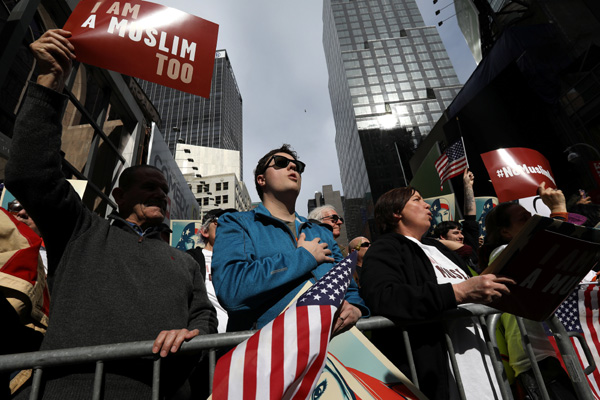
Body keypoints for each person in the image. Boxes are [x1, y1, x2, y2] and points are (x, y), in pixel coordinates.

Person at [6, 29, 217, 399]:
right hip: (65, 390)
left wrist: (192, 336)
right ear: (119, 195)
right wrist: (49, 81)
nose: (160, 194)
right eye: (148, 186)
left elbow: (204, 319)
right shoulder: (82, 231)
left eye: (164, 190)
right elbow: (30, 175)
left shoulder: (185, 263)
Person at [359, 186, 515, 400]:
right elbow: (383, 296)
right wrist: (458, 292)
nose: (426, 205)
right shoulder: (385, 248)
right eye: (416, 199)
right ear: (396, 212)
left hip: (483, 366)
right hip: (441, 375)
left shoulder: (438, 248)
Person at [212, 144, 368, 333]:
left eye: (297, 166)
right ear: (261, 179)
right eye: (281, 162)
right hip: (268, 351)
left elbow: (349, 287)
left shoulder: (321, 233)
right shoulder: (237, 223)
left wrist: (356, 308)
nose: (293, 167)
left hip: (333, 348)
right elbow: (232, 289)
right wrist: (303, 257)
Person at [479, 183, 577, 400]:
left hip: (561, 351)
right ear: (505, 232)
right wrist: (559, 211)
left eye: (532, 216)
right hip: (536, 361)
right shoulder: (501, 253)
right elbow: (551, 256)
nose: (533, 221)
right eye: (524, 219)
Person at [434, 169, 480, 272]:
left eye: (460, 232)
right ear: (442, 237)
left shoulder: (469, 246)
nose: (461, 236)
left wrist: (468, 186)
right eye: (455, 233)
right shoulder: (439, 257)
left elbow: (470, 215)